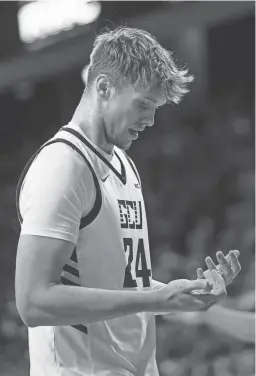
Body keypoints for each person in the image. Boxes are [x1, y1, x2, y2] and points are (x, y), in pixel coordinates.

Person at [15, 26, 241, 376]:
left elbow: (119, 284)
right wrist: (154, 299)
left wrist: (178, 296)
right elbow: (33, 302)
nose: (150, 120)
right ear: (104, 88)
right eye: (143, 104)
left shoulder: (124, 164)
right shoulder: (62, 166)